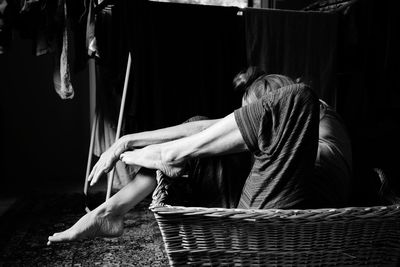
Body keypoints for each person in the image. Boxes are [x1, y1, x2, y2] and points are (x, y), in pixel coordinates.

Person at [47, 67, 352, 245]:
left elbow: (223, 128)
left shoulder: (312, 110)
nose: (240, 120)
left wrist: (131, 144)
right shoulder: (280, 124)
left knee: (298, 96)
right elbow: (212, 129)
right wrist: (125, 142)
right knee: (196, 128)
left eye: (249, 112)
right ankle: (109, 212)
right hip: (261, 206)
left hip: (301, 207)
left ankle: (168, 154)